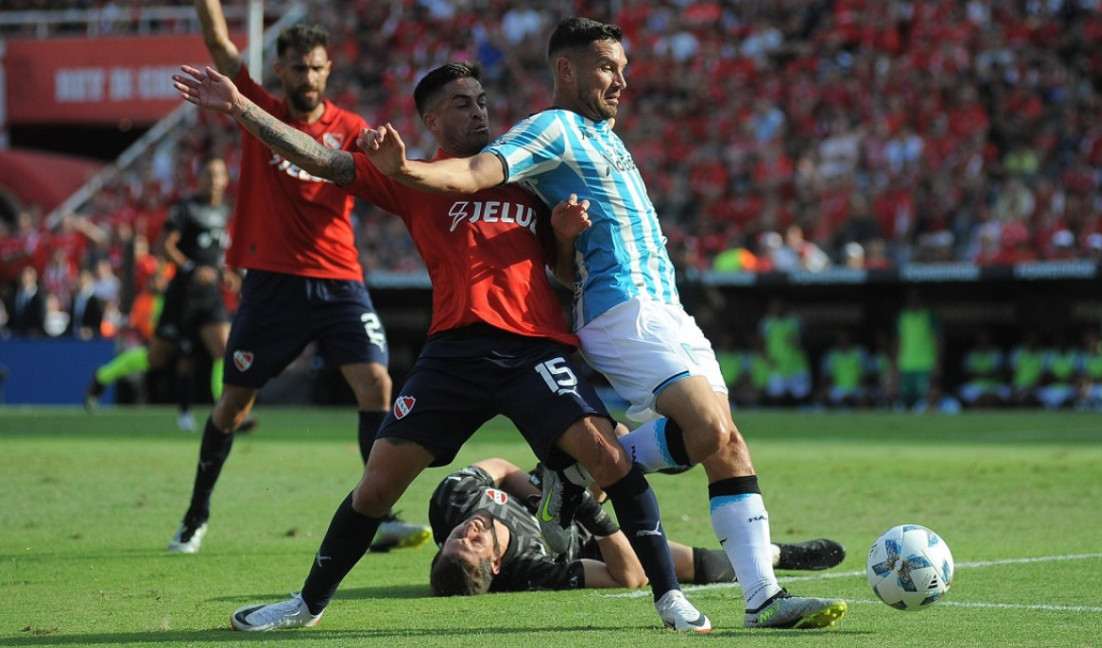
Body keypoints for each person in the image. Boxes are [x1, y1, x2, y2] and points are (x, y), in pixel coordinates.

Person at [174, 60, 709, 632]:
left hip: (531, 349)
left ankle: (669, 598)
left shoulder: (524, 173)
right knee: (377, 485)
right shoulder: (408, 177)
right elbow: (321, 159)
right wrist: (238, 107)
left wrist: (563, 236)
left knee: (610, 457)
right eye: (462, 103)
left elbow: (563, 273)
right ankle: (305, 606)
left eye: (481, 100)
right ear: (431, 119)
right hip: (452, 354)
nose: (479, 110)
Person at [357, 17, 847, 630]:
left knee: (722, 443)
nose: (623, 78)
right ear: (567, 71)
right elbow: (477, 172)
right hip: (622, 309)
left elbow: (555, 257)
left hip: (668, 308)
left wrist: (563, 237)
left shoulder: (601, 131)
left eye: (623, 66)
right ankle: (749, 586)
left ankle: (748, 590)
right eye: (608, 67)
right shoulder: (550, 127)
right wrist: (403, 170)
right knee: (711, 427)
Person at [170, 0, 422, 557]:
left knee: (377, 385)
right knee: (235, 402)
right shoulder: (255, 105)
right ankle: (195, 516)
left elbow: (392, 183)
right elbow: (218, 45)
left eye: (316, 67)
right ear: (279, 69)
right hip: (272, 283)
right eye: (297, 67)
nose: (307, 77)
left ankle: (378, 513)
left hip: (339, 280)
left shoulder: (353, 129)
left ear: (328, 69)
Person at [428, 458, 846, 595]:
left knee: (607, 444)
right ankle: (778, 555)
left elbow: (500, 467)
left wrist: (544, 502)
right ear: (497, 564)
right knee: (680, 563)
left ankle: (650, 455)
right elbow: (628, 577)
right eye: (473, 544)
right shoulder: (528, 567)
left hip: (552, 495)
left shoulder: (451, 501)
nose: (468, 531)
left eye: (455, 539)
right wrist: (592, 512)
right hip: (590, 539)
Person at [83, 157, 250, 433]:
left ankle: (227, 413)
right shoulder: (186, 209)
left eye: (220, 175)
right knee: (157, 358)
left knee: (225, 350)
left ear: (226, 180)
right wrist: (191, 267)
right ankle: (103, 377)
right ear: (200, 179)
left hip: (209, 296)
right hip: (181, 296)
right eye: (209, 174)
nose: (215, 179)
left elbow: (212, 254)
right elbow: (164, 245)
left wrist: (223, 274)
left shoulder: (222, 211)